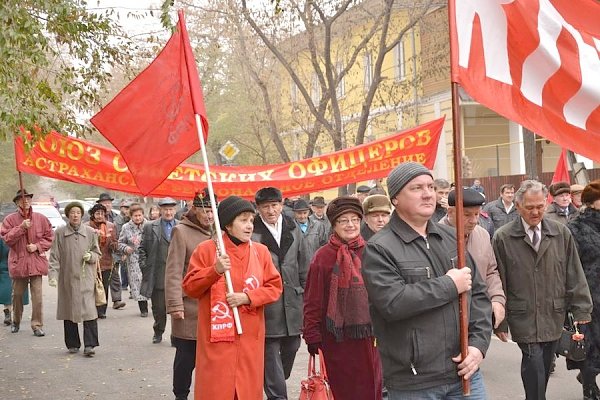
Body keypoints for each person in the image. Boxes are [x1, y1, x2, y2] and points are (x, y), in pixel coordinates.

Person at [362, 162, 492, 398]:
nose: (427, 194)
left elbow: (480, 297)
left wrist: (478, 346)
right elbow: (393, 302)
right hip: (414, 382)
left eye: (431, 187)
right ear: (395, 199)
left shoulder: (452, 239)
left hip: (464, 374)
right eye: (416, 188)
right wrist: (449, 285)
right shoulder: (379, 248)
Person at [493, 180, 592, 400]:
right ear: (518, 206)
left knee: (545, 363)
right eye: (529, 207)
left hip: (553, 312)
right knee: (533, 360)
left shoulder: (560, 233)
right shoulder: (503, 237)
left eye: (540, 206)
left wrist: (582, 310)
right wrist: (500, 321)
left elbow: (574, 272)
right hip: (522, 314)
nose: (535, 212)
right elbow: (498, 281)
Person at [182, 195, 283, 399]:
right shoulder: (208, 249)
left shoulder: (261, 252)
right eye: (243, 220)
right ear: (228, 224)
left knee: (247, 391)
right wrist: (214, 270)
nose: (249, 226)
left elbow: (275, 287)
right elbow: (190, 287)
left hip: (249, 339)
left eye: (251, 221)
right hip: (216, 340)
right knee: (217, 390)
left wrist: (247, 297)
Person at [303, 196, 383, 399]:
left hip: (370, 337)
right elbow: (313, 299)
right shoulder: (323, 257)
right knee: (343, 391)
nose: (350, 225)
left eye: (355, 220)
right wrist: (312, 334)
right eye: (344, 220)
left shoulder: (372, 251)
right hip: (336, 340)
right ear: (334, 225)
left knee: (372, 388)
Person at [252, 187, 307, 400]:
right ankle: (277, 395)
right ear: (258, 209)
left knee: (293, 345)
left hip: (294, 299)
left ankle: (272, 380)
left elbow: (304, 262)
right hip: (267, 304)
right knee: (270, 352)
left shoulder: (293, 229)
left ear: (282, 205)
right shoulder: (254, 233)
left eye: (274, 205)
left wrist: (304, 290)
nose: (271, 211)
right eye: (265, 207)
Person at [165, 189, 215, 400]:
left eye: (212, 210)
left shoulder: (219, 232)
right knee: (186, 355)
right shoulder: (181, 231)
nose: (209, 215)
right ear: (194, 209)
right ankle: (181, 394)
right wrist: (175, 304)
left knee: (211, 357)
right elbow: (173, 271)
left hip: (214, 305)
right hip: (190, 306)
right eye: (204, 210)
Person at [439, 188, 506, 328]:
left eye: (477, 214)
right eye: (467, 215)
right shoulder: (435, 238)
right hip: (446, 319)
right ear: (450, 212)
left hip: (478, 317)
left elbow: (491, 271)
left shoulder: (482, 235)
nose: (474, 220)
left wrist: (497, 299)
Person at [48, 202, 102, 356]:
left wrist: (90, 256)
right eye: (72, 212)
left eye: (78, 212)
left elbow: (97, 253)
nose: (75, 215)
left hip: (86, 278)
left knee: (89, 311)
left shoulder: (91, 232)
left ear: (81, 214)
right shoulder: (60, 233)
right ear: (67, 215)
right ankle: (73, 344)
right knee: (69, 310)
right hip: (67, 278)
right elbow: (54, 257)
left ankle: (90, 345)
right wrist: (53, 275)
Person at [0, 189, 53, 336]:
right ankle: (16, 321)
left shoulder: (41, 218)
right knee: (17, 295)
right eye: (22, 199)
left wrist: (37, 246)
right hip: (19, 264)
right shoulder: (9, 220)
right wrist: (21, 228)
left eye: (28, 198)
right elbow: (7, 239)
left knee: (37, 297)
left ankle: (37, 325)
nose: (26, 201)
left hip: (36, 263)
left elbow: (49, 237)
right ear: (17, 202)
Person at [567, 180, 600, 400]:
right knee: (589, 346)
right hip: (589, 297)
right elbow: (570, 265)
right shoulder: (574, 227)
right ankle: (588, 385)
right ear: (592, 203)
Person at [139, 197, 178, 344]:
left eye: (171, 209)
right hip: (157, 274)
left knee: (176, 308)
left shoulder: (181, 227)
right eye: (165, 209)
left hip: (176, 275)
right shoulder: (150, 227)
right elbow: (142, 249)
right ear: (160, 210)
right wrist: (145, 267)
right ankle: (158, 331)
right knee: (159, 309)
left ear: (175, 210)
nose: (168, 212)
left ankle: (176, 336)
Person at [85, 203, 125, 318]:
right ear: (92, 214)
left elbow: (115, 244)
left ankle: (102, 310)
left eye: (102, 213)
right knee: (92, 286)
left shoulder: (110, 226)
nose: (100, 216)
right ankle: (91, 309)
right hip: (91, 261)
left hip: (106, 261)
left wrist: (113, 243)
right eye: (97, 213)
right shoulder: (87, 226)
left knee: (104, 286)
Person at [118, 204, 149, 317]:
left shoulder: (149, 225)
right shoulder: (126, 227)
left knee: (150, 281)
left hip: (148, 256)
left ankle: (156, 305)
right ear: (131, 216)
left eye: (139, 215)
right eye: (135, 216)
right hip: (134, 259)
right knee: (138, 283)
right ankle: (143, 308)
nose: (138, 218)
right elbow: (120, 243)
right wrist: (126, 248)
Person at [0, 238, 29, 327]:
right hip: (14, 266)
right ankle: (10, 313)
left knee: (9, 290)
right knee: (12, 291)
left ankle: (8, 312)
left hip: (9, 266)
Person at [294, 199, 328, 270]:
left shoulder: (318, 226)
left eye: (304, 213)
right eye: (299, 213)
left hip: (316, 267)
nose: (302, 216)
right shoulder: (291, 228)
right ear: (294, 213)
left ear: (309, 212)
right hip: (299, 270)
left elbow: (325, 245)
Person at [114, 200, 131, 292]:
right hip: (120, 246)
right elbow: (117, 236)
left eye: (128, 208)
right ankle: (124, 284)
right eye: (125, 208)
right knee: (123, 266)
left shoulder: (130, 218)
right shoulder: (117, 220)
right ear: (121, 208)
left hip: (130, 246)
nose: (127, 210)